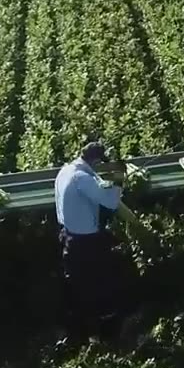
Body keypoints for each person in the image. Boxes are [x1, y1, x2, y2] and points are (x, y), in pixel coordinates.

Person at [55, 141, 131, 342]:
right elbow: (111, 201)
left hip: (68, 235)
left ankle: (83, 332)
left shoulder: (66, 171)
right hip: (86, 243)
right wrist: (118, 180)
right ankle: (104, 333)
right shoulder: (82, 178)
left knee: (78, 285)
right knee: (98, 285)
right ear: (96, 161)